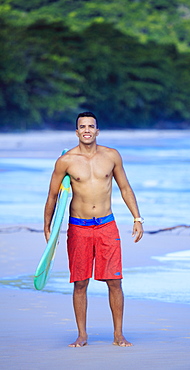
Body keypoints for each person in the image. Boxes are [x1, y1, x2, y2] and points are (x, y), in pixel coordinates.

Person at [44, 112, 144, 347]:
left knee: (114, 281)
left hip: (107, 225)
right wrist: (48, 228)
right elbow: (53, 196)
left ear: (97, 131)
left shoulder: (111, 156)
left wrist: (137, 218)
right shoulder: (66, 161)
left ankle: (118, 334)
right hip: (78, 227)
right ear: (76, 132)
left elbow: (125, 188)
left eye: (91, 126)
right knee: (80, 283)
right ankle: (82, 334)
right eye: (82, 126)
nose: (87, 130)